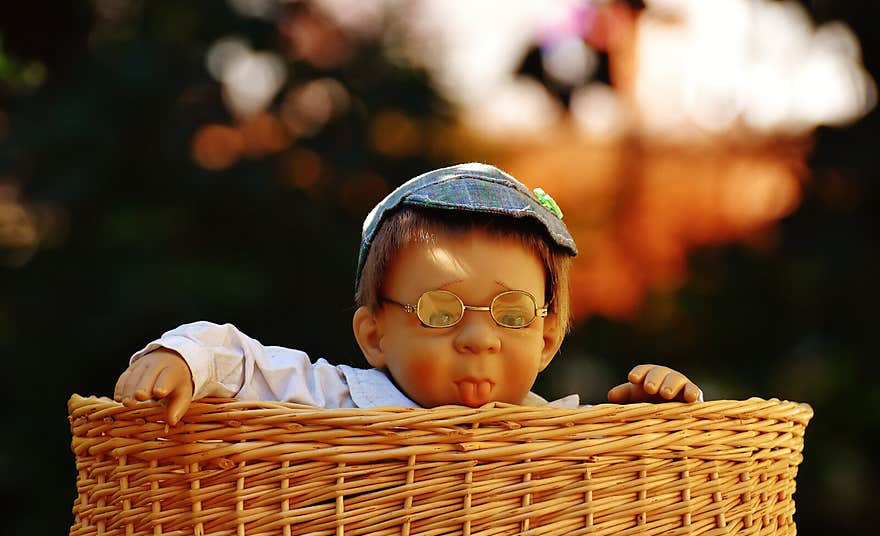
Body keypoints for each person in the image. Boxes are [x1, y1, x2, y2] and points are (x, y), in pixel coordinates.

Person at [114, 162, 703, 424]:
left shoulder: (546, 431)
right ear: (374, 335)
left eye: (512, 315)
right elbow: (239, 363)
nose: (478, 339)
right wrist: (181, 359)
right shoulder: (337, 402)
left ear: (547, 338)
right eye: (440, 312)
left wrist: (654, 416)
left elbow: (617, 475)